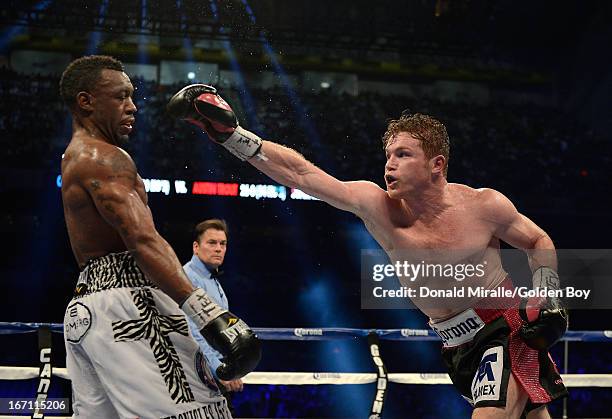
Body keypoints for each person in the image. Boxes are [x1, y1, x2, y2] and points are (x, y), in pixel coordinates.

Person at [168, 84, 569, 419]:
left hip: (505, 328)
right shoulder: (378, 207)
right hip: (454, 344)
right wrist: (233, 135)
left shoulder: (484, 206)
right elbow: (304, 175)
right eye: (388, 155)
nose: (389, 164)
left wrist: (547, 295)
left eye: (403, 155)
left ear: (437, 164)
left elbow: (538, 241)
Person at [59, 57, 260, 419]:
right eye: (120, 97)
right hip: (130, 304)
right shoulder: (103, 158)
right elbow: (142, 239)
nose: (132, 106)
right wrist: (209, 316)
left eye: (132, 96)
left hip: (86, 308)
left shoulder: (75, 156)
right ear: (86, 101)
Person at [184, 219, 244, 409]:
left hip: (208, 374)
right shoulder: (188, 278)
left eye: (222, 244)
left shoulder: (213, 281)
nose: (218, 248)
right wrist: (219, 369)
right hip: (195, 376)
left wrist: (230, 367)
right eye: (212, 243)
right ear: (196, 247)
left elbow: (220, 333)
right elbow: (193, 331)